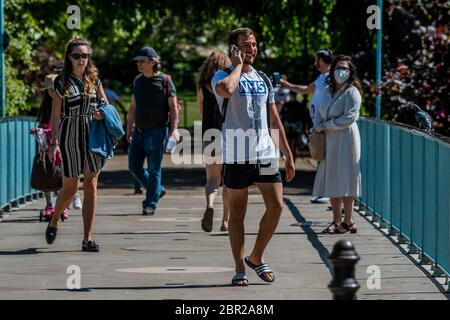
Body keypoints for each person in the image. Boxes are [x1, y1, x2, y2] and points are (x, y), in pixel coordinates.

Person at [212, 28, 295, 286]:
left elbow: (273, 118)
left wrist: (288, 154)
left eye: (254, 44)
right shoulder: (223, 74)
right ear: (234, 49)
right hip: (237, 154)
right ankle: (239, 269)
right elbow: (225, 90)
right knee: (237, 214)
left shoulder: (263, 79)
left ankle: (256, 256)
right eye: (246, 45)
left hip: (265, 153)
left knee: (277, 205)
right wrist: (237, 65)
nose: (252, 49)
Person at [45, 36, 109, 252]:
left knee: (91, 184)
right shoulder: (61, 82)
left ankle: (87, 238)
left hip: (93, 133)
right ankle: (54, 220)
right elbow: (55, 116)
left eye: (85, 55)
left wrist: (102, 114)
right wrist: (53, 143)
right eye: (77, 56)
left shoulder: (94, 79)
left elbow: (105, 105)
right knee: (70, 188)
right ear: (69, 58)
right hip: (70, 134)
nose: (81, 59)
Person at [312, 55, 362, 234]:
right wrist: (318, 125)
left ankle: (349, 220)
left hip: (346, 138)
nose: (342, 71)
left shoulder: (352, 92)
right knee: (332, 176)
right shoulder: (326, 90)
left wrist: (327, 125)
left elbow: (350, 117)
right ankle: (336, 220)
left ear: (350, 72)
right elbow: (319, 110)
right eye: (339, 67)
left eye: (345, 68)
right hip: (330, 140)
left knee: (347, 176)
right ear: (332, 70)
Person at [127, 47, 179, 216]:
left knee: (154, 169)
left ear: (152, 62)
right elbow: (133, 107)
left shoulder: (165, 80)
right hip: (139, 132)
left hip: (157, 132)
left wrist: (174, 129)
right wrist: (129, 128)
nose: (138, 64)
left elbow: (174, 108)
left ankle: (150, 203)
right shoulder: (137, 81)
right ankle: (157, 189)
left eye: (142, 61)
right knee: (134, 166)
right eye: (138, 61)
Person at [281, 48, 334, 204]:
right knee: (322, 158)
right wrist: (287, 85)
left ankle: (330, 194)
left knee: (327, 158)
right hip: (319, 125)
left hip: (326, 124)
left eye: (316, 59)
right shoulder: (322, 77)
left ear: (322, 60)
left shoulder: (331, 77)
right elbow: (306, 89)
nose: (314, 63)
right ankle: (325, 192)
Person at [197, 51, 231, 233]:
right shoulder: (227, 86)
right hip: (229, 133)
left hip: (209, 134)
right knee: (229, 181)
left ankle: (210, 205)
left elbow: (201, 112)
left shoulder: (203, 87)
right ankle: (225, 221)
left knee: (212, 179)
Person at [32, 74, 69, 220]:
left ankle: (62, 206)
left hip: (64, 145)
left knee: (62, 177)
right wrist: (38, 131)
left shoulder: (66, 105)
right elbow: (42, 124)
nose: (53, 92)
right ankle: (49, 205)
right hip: (48, 147)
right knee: (47, 175)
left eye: (55, 89)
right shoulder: (45, 108)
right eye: (50, 90)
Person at [103, 78, 143, 194]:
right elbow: (119, 103)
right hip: (109, 115)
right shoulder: (111, 93)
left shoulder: (98, 91)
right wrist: (123, 111)